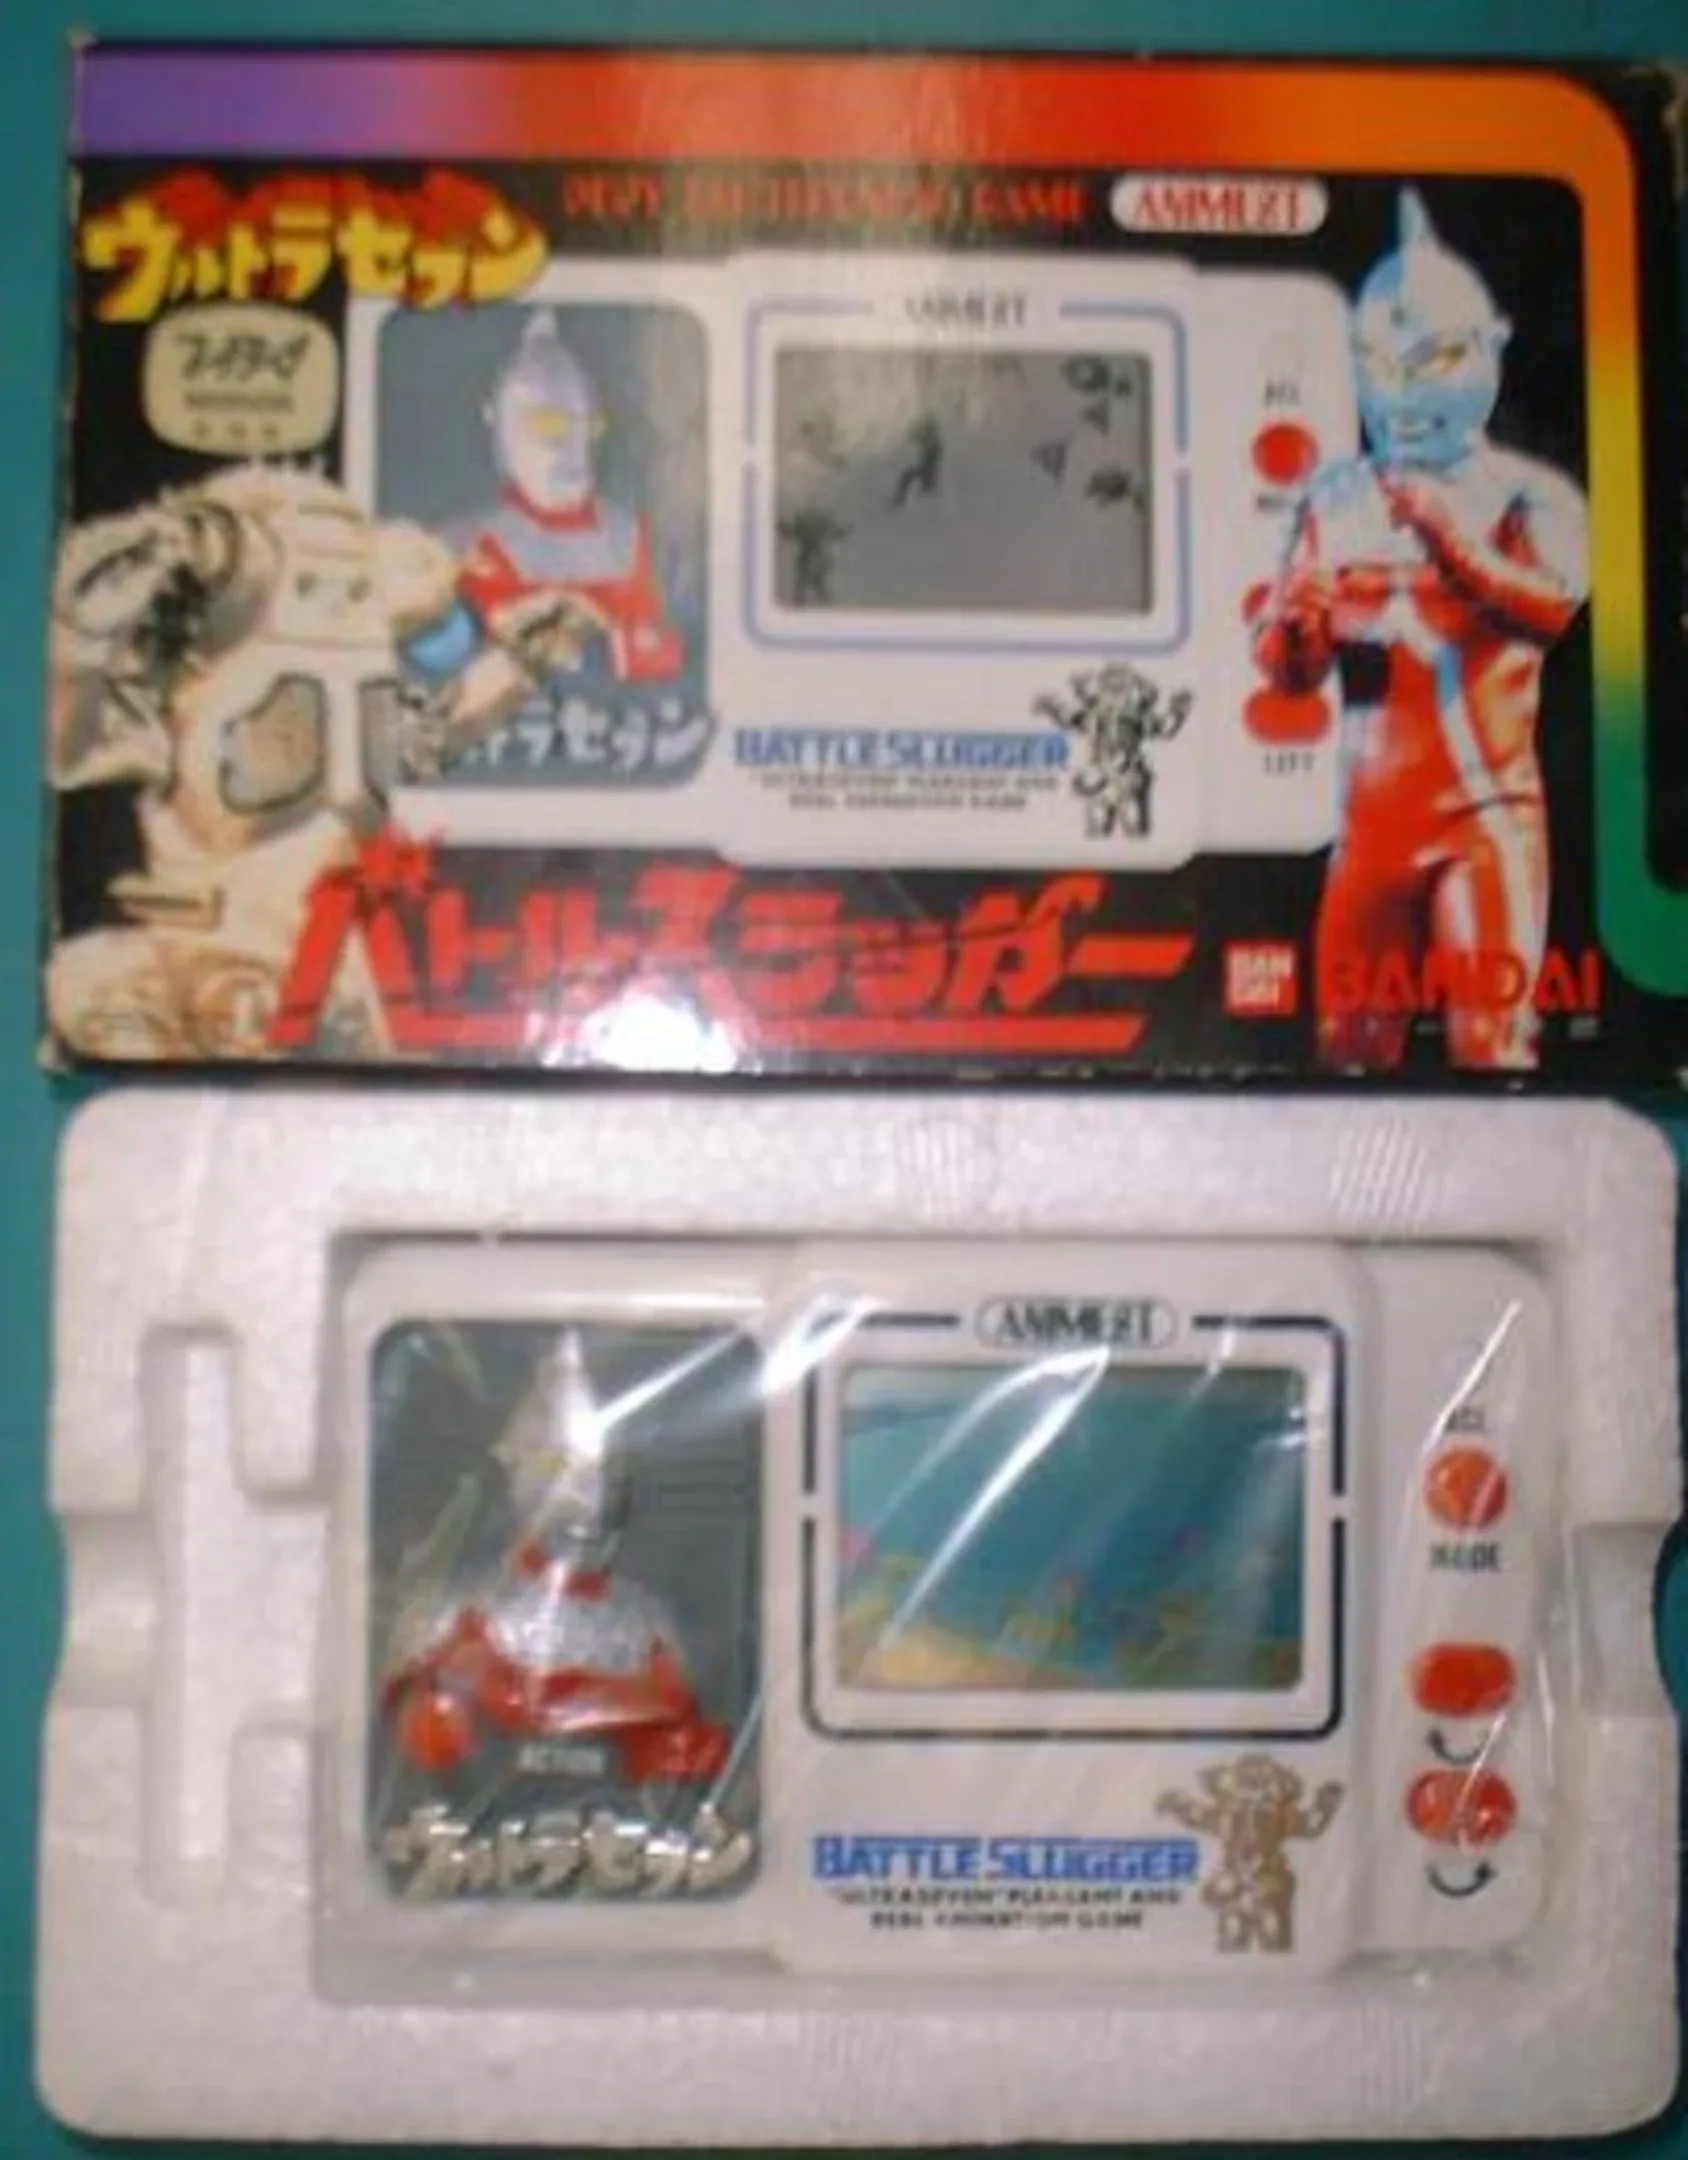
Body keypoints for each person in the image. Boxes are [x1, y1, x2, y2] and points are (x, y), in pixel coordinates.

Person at [1250, 189, 1588, 1070]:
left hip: (1486, 817)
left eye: (1429, 359)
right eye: (1377, 362)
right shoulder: (1335, 498)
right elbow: (1290, 673)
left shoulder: (1528, 493)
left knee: (1492, 1046)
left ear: (1487, 347)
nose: (1400, 388)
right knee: (1347, 1057)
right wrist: (1293, 629)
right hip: (1370, 829)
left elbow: (1552, 610)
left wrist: (1449, 539)